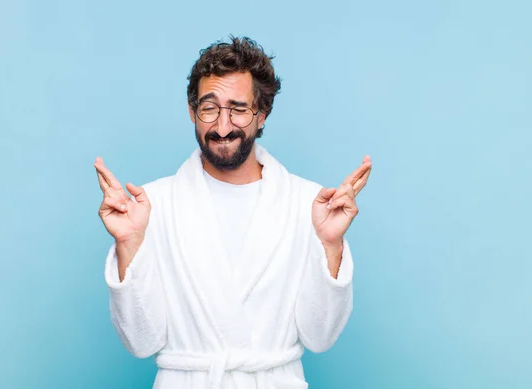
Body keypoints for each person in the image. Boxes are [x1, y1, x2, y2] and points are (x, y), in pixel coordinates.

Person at [94, 36, 372, 389]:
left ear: (262, 114)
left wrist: (330, 245)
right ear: (192, 111)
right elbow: (140, 342)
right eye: (209, 108)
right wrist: (129, 245)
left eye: (238, 109)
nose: (222, 127)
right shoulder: (151, 206)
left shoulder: (308, 204)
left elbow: (320, 337)